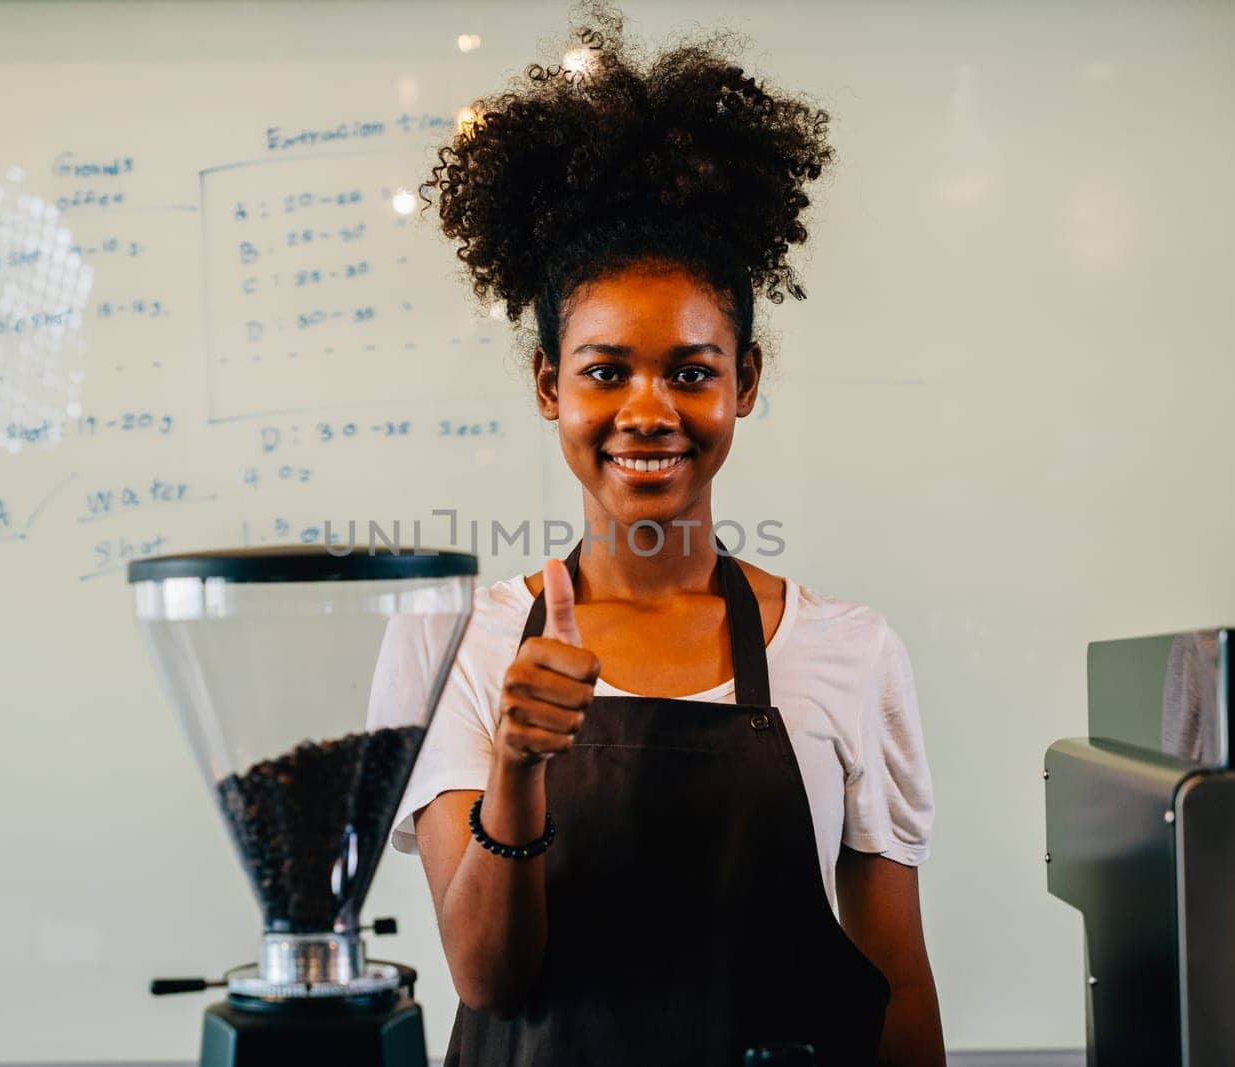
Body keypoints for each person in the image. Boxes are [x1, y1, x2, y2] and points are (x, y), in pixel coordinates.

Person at [382, 7, 942, 1064]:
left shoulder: (849, 649)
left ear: (744, 383)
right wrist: (516, 763)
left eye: (689, 370)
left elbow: (897, 984)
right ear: (548, 385)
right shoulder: (453, 641)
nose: (647, 409)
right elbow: (489, 976)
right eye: (604, 370)